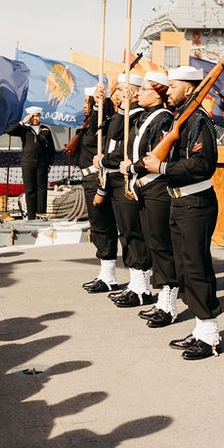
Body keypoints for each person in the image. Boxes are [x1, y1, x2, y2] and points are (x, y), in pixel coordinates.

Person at [141, 65, 222, 360]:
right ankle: (200, 328)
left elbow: (203, 165)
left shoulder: (199, 121)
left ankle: (211, 335)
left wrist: (161, 168)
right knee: (185, 269)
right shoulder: (180, 120)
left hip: (195, 203)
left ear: (190, 88)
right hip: (178, 202)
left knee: (197, 268)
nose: (168, 91)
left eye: (173, 86)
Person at [117, 71, 174, 315]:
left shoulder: (163, 118)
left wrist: (131, 167)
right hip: (143, 187)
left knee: (161, 244)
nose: (138, 92)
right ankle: (157, 295)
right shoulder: (146, 116)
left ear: (158, 92)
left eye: (144, 89)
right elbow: (117, 136)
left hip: (157, 186)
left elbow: (154, 156)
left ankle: (168, 301)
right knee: (151, 241)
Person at [94, 75, 151, 304]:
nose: (118, 94)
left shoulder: (138, 114)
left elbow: (120, 141)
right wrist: (103, 104)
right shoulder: (124, 113)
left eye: (125, 90)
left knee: (133, 232)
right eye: (118, 91)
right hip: (114, 178)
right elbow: (106, 133)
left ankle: (141, 286)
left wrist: (104, 161)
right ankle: (136, 282)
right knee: (125, 232)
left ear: (135, 93)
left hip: (126, 178)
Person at [73, 86, 121, 293]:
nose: (84, 106)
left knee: (103, 227)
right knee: (99, 227)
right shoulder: (91, 122)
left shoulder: (103, 121)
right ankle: (106, 272)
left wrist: (97, 105)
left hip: (97, 177)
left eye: (87, 102)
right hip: (88, 178)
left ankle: (109, 275)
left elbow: (95, 127)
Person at [6, 106, 56, 219]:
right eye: (33, 116)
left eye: (37, 116)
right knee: (30, 190)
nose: (35, 118)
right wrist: (23, 122)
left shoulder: (46, 130)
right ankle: (31, 217)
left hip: (42, 163)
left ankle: (41, 215)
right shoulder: (25, 129)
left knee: (42, 190)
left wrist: (50, 164)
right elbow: (9, 131)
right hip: (28, 163)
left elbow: (51, 149)